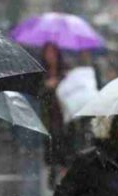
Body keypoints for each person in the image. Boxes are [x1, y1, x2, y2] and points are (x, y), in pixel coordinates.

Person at [40, 42, 69, 188]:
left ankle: (63, 181)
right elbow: (38, 95)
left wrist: (60, 83)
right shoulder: (41, 73)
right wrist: (47, 87)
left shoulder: (65, 72)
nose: (50, 56)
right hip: (48, 119)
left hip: (63, 117)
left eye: (53, 52)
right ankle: (50, 183)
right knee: (50, 152)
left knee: (64, 150)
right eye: (48, 52)